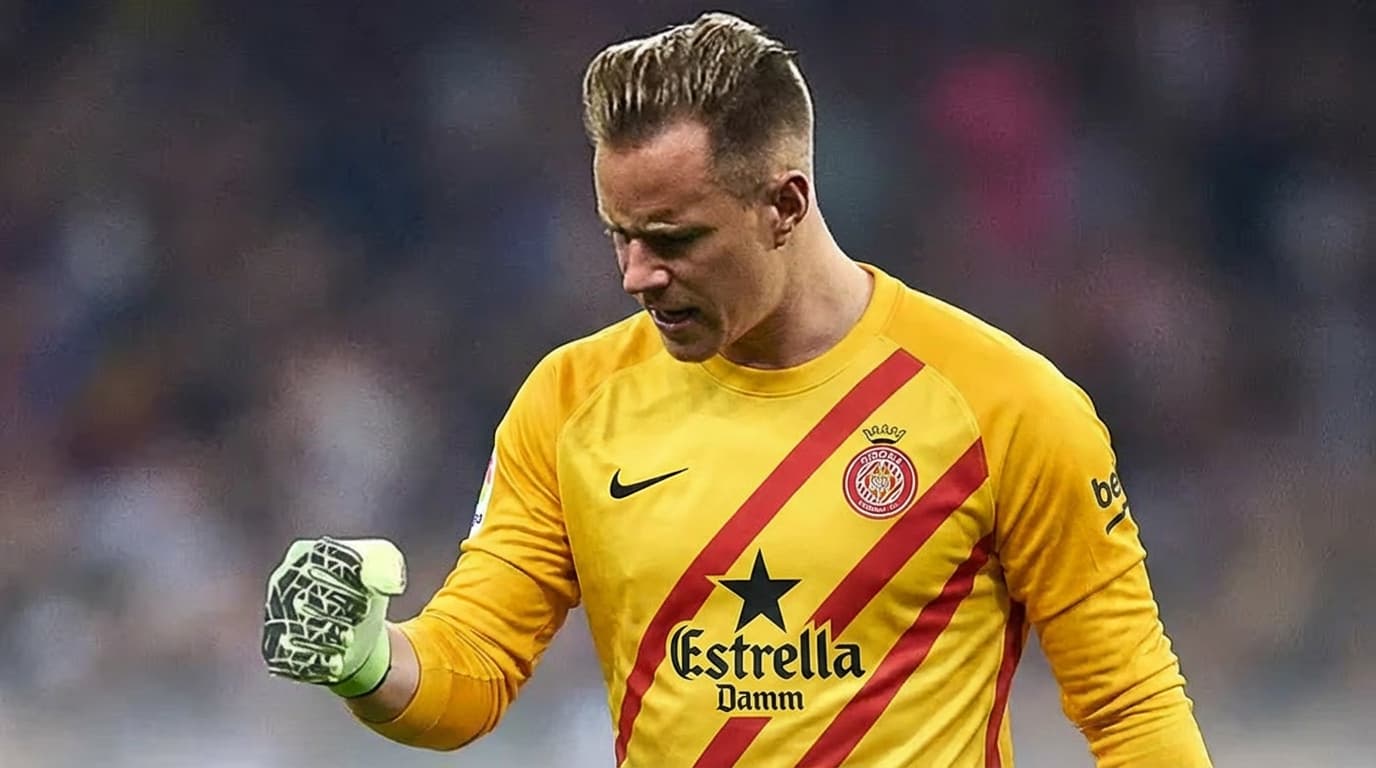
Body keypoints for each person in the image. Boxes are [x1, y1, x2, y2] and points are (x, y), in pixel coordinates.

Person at [261, 12, 1212, 767]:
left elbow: (1132, 708)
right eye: (618, 235)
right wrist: (368, 658)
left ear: (784, 204)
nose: (636, 275)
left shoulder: (1004, 405)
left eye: (674, 239)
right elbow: (471, 668)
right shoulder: (571, 400)